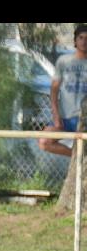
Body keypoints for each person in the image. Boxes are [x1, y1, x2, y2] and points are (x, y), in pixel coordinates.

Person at [39, 24, 87, 157]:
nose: (84, 41)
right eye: (81, 38)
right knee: (44, 141)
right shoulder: (64, 61)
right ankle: (79, 158)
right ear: (75, 41)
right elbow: (54, 90)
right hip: (65, 119)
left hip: (84, 120)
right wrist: (56, 116)